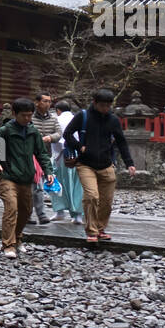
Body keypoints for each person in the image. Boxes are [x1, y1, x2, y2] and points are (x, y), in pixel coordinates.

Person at [61, 88, 137, 244]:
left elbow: (121, 142)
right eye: (102, 105)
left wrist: (129, 163)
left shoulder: (113, 120)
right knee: (91, 196)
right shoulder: (83, 116)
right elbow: (67, 133)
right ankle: (92, 231)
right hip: (85, 164)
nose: (105, 109)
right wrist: (79, 147)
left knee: (106, 201)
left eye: (108, 106)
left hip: (106, 164)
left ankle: (101, 228)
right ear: (94, 103)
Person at [0, 99, 56, 258]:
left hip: (26, 177)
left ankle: (17, 237)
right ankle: (8, 244)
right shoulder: (5, 130)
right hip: (7, 176)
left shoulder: (33, 132)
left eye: (29, 115)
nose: (27, 119)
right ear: (14, 114)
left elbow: (42, 154)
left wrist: (48, 171)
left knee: (26, 211)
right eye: (24, 115)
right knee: (11, 208)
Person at [29, 92, 63, 224]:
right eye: (45, 101)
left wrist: (51, 137)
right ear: (37, 102)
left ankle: (38, 214)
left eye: (49, 101)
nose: (48, 104)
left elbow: (59, 133)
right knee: (34, 184)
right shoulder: (30, 117)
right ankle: (35, 214)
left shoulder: (53, 118)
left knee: (39, 184)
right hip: (30, 155)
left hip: (45, 154)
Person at [53, 100, 84, 225]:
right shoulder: (77, 119)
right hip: (79, 154)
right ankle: (77, 215)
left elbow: (56, 139)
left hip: (62, 156)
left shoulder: (57, 120)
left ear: (58, 110)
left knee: (58, 184)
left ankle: (59, 210)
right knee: (77, 185)